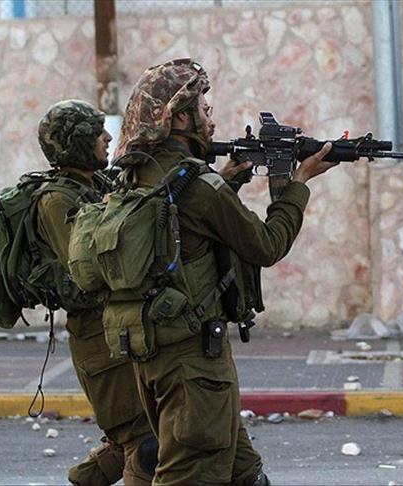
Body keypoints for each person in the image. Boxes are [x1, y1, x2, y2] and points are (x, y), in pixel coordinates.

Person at [110, 58, 337, 485]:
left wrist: (226, 181)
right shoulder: (199, 185)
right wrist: (299, 185)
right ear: (180, 118)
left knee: (243, 474)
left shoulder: (138, 176)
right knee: (191, 475)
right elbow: (266, 246)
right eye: (203, 109)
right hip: (194, 366)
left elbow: (179, 235)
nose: (210, 118)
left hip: (156, 355)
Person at [35, 100, 157, 486]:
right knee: (144, 445)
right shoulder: (57, 200)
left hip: (120, 332)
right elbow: (88, 272)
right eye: (95, 133)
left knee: (131, 438)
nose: (106, 137)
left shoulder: (97, 185)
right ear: (74, 143)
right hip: (98, 342)